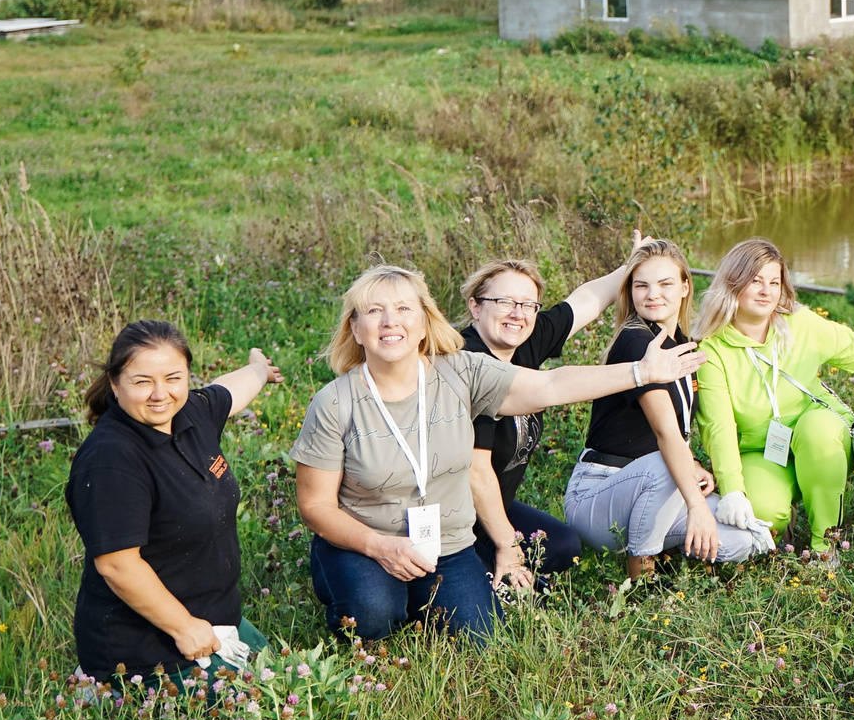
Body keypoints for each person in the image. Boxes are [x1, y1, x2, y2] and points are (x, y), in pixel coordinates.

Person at [292, 263, 700, 641]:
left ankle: (420, 600)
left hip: (447, 544)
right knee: (373, 616)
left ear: (423, 324)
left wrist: (641, 373)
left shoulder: (461, 370)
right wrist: (379, 547)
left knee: (484, 638)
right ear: (356, 328)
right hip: (366, 541)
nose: (389, 321)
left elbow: (550, 386)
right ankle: (375, 593)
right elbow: (315, 505)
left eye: (403, 309)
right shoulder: (334, 403)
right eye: (374, 311)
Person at [65, 320, 284, 684]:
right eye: (142, 381)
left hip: (216, 618)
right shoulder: (111, 460)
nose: (160, 394)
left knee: (288, 682)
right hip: (148, 646)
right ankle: (103, 691)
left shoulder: (189, 414)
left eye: (173, 378)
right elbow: (117, 565)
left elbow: (226, 391)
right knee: (252, 717)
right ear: (115, 384)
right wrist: (183, 627)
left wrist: (258, 368)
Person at [694, 237, 854, 553]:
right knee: (761, 510)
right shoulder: (712, 350)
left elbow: (851, 346)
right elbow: (718, 427)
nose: (766, 291)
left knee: (819, 431)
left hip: (817, 436)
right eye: (755, 280)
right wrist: (732, 491)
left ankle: (823, 547)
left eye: (774, 282)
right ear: (733, 283)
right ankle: (787, 508)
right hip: (760, 450)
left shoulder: (799, 324)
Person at [562, 239, 773, 575]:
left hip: (652, 488)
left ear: (685, 287)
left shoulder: (681, 345)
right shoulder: (636, 342)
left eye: (665, 284)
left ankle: (660, 542)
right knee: (665, 465)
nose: (652, 294)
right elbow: (665, 434)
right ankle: (639, 576)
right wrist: (695, 506)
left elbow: (678, 433)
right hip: (599, 494)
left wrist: (694, 467)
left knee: (743, 538)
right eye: (641, 285)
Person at [457, 247, 649, 587]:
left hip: (494, 506)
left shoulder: (522, 340)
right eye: (504, 302)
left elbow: (586, 300)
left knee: (560, 547)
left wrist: (634, 263)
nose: (518, 314)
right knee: (494, 589)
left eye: (528, 305)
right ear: (476, 305)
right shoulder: (468, 361)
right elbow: (476, 471)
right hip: (454, 514)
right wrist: (508, 545)